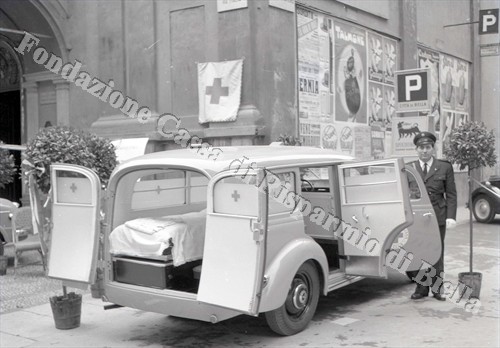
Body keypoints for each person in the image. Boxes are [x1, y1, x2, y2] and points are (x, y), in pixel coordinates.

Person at [410, 131, 457, 301]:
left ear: (433, 148)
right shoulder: (409, 168)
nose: (424, 151)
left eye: (428, 147)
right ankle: (421, 288)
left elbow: (451, 194)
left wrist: (451, 216)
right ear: (416, 149)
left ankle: (437, 288)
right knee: (419, 251)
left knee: (437, 252)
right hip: (417, 218)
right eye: (421, 147)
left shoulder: (444, 167)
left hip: (438, 216)